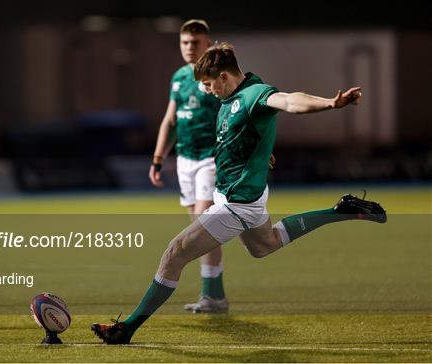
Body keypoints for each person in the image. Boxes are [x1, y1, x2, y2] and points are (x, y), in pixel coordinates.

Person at [92, 42, 386, 344]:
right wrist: (261, 152)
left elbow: (289, 101)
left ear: (223, 76)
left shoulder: (253, 94)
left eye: (208, 83)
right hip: (247, 197)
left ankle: (126, 329)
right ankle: (342, 210)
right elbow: (243, 137)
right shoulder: (230, 98)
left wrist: (330, 103)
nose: (206, 90)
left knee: (174, 253)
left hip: (237, 203)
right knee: (265, 245)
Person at [148, 19, 228, 313]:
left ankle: (214, 295)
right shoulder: (180, 77)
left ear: (207, 43)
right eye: (185, 42)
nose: (189, 47)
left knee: (204, 224)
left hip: (211, 157)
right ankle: (214, 295)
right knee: (198, 226)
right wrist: (158, 157)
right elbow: (170, 120)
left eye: (195, 42)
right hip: (185, 159)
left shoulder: (218, 76)